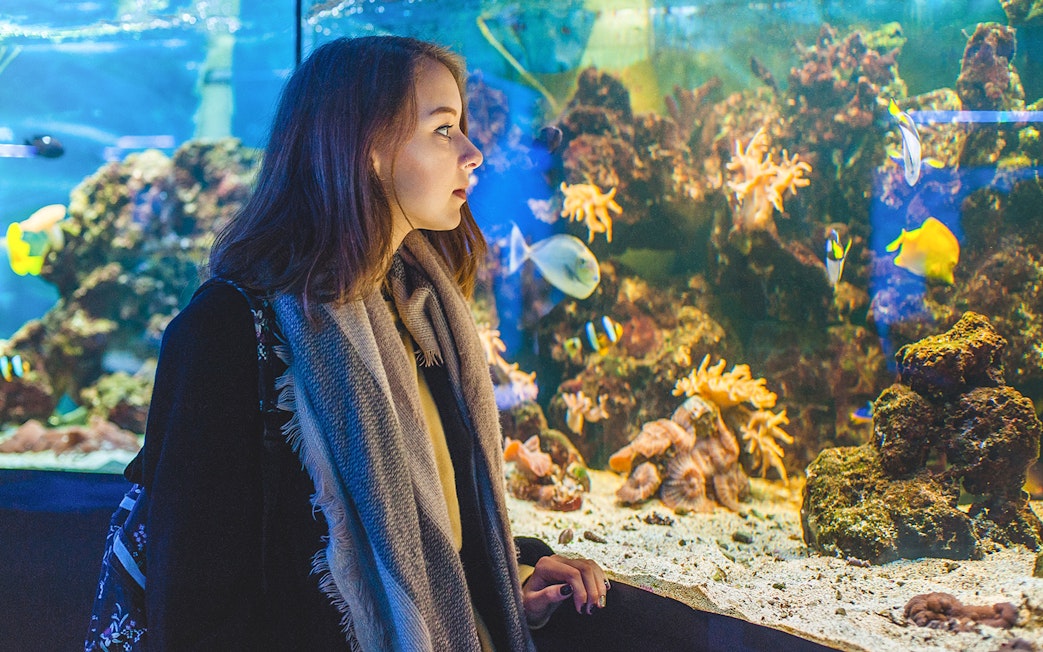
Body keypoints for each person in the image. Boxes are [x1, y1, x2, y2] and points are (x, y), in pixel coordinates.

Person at [129, 34, 835, 652]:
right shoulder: (226, 334)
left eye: (463, 128)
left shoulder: (419, 313)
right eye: (442, 130)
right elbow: (195, 610)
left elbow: (425, 527)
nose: (472, 154)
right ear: (365, 149)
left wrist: (515, 569)